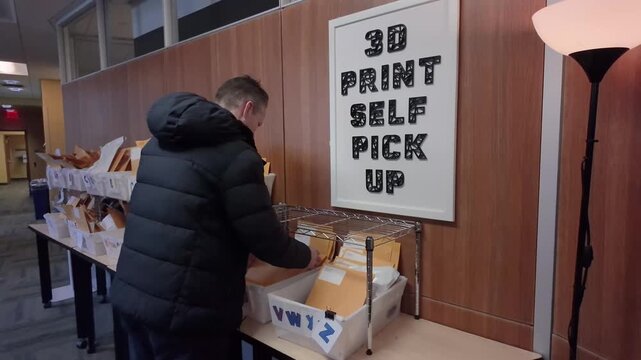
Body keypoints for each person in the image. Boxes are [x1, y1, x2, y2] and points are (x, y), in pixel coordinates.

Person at [110, 75, 321, 360]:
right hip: (186, 315)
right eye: (259, 123)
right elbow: (266, 240)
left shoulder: (156, 145)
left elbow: (187, 215)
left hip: (133, 293)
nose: (257, 131)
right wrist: (307, 257)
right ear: (247, 109)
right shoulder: (237, 157)